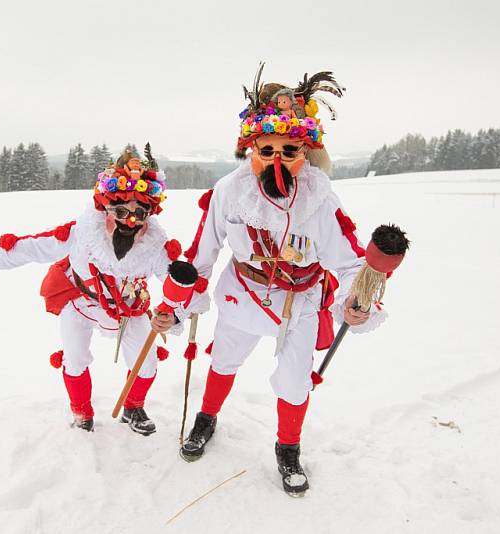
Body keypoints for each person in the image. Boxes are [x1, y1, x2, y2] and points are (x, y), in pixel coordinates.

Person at [177, 66, 386, 495]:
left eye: (289, 151)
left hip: (301, 303)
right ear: (250, 149)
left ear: (305, 154)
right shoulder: (228, 192)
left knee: (295, 380)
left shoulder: (321, 199)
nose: (276, 160)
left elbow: (350, 263)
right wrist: (181, 293)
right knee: (223, 362)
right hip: (243, 295)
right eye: (266, 150)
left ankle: (288, 447)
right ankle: (207, 416)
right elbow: (202, 251)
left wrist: (355, 298)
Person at [0, 146, 185, 435]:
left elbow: (178, 282)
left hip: (128, 309)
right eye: (121, 211)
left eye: (139, 213)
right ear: (106, 207)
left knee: (148, 362)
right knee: (75, 358)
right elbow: (31, 247)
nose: (130, 221)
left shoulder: (155, 246)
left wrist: (175, 315)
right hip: (80, 304)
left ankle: (133, 406)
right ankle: (82, 412)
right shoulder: (82, 234)